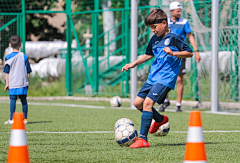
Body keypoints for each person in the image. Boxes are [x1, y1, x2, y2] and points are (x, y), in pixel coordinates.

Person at [122, 9, 193, 148]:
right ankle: (159, 119)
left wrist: (174, 53)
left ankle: (143, 139)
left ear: (164, 23)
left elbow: (189, 53)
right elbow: (148, 54)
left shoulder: (174, 38)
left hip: (166, 78)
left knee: (148, 103)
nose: (153, 30)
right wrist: (134, 63)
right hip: (153, 77)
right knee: (138, 103)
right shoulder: (154, 39)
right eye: (151, 28)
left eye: (154, 27)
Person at [159, 1, 201, 112]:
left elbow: (190, 37)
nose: (179, 12)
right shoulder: (165, 22)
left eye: (180, 10)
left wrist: (196, 51)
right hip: (167, 54)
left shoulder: (184, 22)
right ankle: (166, 101)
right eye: (178, 11)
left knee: (179, 79)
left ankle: (178, 104)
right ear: (171, 11)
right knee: (164, 78)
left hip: (180, 54)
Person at [4, 35, 32, 125]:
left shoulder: (8, 57)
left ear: (10, 45)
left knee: (13, 100)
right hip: (23, 83)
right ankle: (25, 119)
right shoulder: (24, 56)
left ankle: (12, 119)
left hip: (13, 83)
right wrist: (27, 82)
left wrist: (7, 83)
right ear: (20, 44)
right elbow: (28, 71)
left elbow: (6, 72)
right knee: (24, 100)